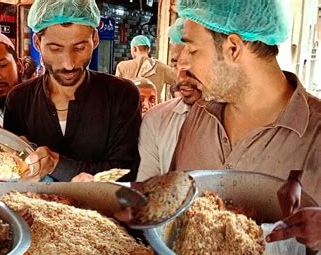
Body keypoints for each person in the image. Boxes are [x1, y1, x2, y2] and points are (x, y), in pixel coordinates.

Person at [171, 0, 321, 202]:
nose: (182, 63)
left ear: (233, 48)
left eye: (192, 49)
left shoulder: (315, 138)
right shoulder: (199, 113)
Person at [3, 0, 141, 182]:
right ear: (37, 42)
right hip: (33, 208)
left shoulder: (121, 95)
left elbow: (125, 172)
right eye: (55, 48)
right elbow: (12, 170)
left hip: (102, 209)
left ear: (95, 39)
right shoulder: (19, 99)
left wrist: (56, 164)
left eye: (80, 47)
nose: (69, 64)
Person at [137, 19, 202, 181]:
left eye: (191, 65)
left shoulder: (238, 120)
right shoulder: (155, 121)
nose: (181, 78)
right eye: (175, 65)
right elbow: (146, 191)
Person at [115, 34, 175, 102]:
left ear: (134, 49)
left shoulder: (122, 66)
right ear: (149, 49)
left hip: (130, 109)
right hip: (154, 109)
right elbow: (177, 81)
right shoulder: (162, 67)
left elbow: (116, 91)